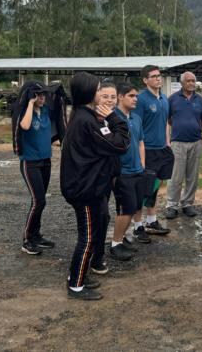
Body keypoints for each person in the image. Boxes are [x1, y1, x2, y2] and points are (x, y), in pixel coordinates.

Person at [60, 72, 130, 300]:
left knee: (94, 230)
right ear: (90, 92)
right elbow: (120, 145)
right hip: (85, 190)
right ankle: (76, 286)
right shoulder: (86, 120)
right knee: (88, 238)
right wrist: (115, 118)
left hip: (90, 187)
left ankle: (78, 276)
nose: (104, 94)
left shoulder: (85, 116)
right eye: (100, 89)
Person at [105, 82, 148, 266]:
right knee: (126, 208)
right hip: (122, 172)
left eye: (136, 96)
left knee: (136, 206)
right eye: (131, 96)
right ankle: (115, 244)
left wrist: (142, 164)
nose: (135, 99)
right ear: (120, 97)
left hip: (137, 171)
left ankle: (121, 240)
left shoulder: (136, 118)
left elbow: (140, 142)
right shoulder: (112, 118)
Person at [13, 81, 58, 256]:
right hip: (30, 162)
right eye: (38, 95)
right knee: (39, 200)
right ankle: (27, 240)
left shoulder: (46, 110)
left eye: (43, 95)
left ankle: (36, 235)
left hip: (45, 161)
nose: (42, 98)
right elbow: (24, 126)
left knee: (38, 201)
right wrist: (30, 104)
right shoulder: (25, 112)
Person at [88, 81, 123, 273]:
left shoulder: (115, 117)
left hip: (112, 174)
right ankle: (94, 256)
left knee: (106, 214)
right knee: (101, 216)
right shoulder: (93, 120)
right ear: (97, 97)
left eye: (113, 97)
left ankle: (97, 255)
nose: (109, 100)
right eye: (105, 96)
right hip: (97, 177)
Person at [133, 65, 172, 236]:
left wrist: (167, 143)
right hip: (146, 150)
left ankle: (151, 220)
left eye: (159, 75)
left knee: (156, 186)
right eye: (154, 76)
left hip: (161, 149)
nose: (158, 78)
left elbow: (165, 123)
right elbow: (135, 125)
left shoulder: (164, 99)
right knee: (143, 188)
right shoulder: (141, 99)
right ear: (145, 80)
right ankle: (137, 225)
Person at [165, 72, 202, 219]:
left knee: (192, 176)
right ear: (182, 83)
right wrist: (180, 126)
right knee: (175, 176)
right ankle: (172, 205)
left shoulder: (201, 100)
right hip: (177, 142)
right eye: (188, 81)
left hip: (196, 142)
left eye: (193, 81)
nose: (191, 83)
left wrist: (193, 127)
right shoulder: (172, 99)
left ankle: (188, 203)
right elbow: (169, 119)